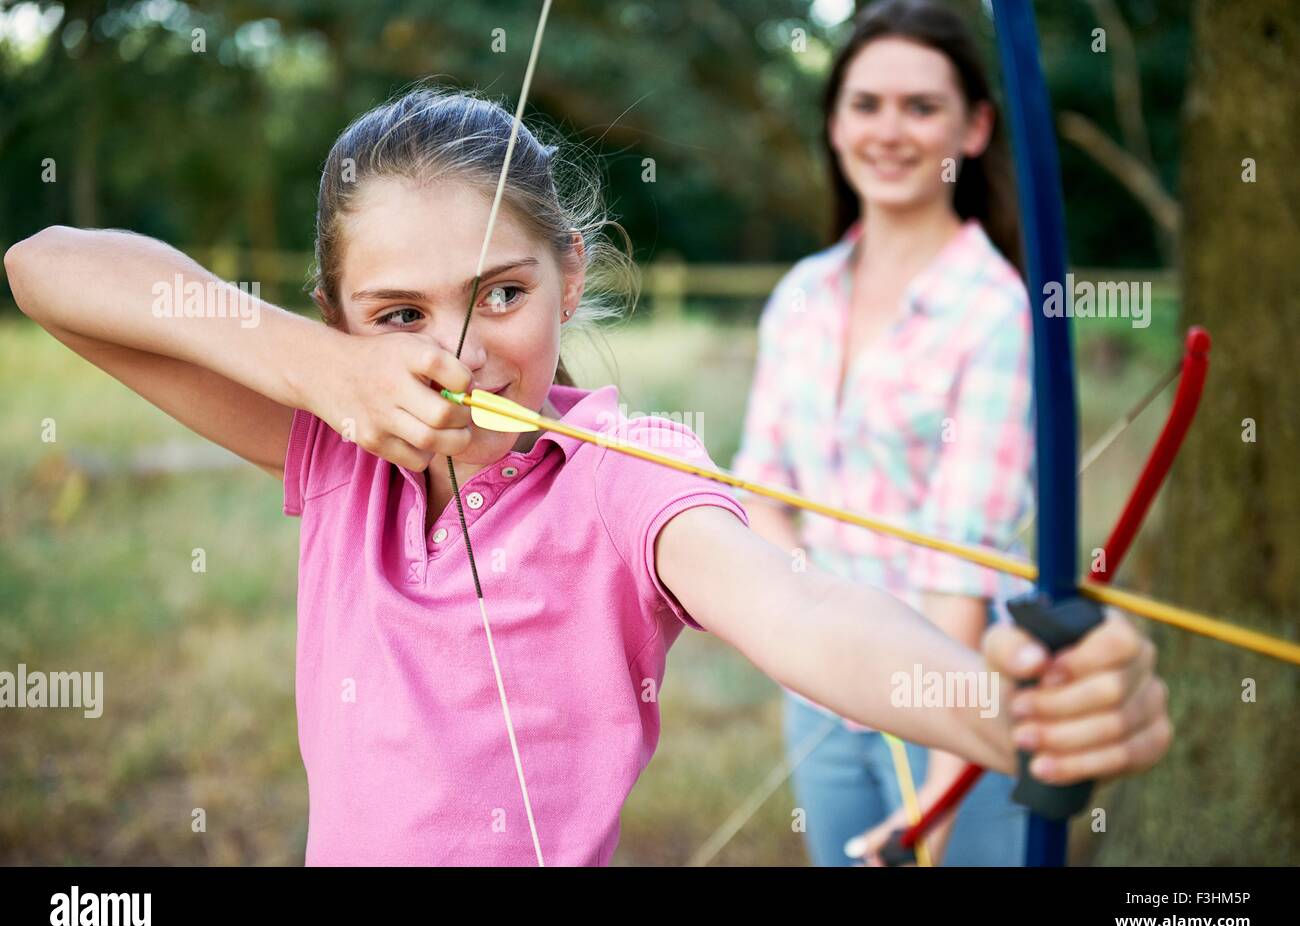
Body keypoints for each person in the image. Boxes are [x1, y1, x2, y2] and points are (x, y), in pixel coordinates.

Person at [3, 86, 1171, 866]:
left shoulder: (622, 475)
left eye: (500, 293)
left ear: (570, 270)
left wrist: (1002, 710)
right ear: (337, 317)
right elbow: (47, 266)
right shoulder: (338, 441)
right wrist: (323, 371)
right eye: (398, 312)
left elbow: (799, 605)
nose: (457, 355)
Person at [732, 0, 1046, 866]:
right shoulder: (803, 291)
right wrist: (808, 633)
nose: (890, 130)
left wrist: (943, 788)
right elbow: (760, 485)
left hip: (944, 685)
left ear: (974, 127)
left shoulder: (995, 311)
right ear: (834, 123)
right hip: (822, 689)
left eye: (922, 107)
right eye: (866, 104)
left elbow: (959, 558)